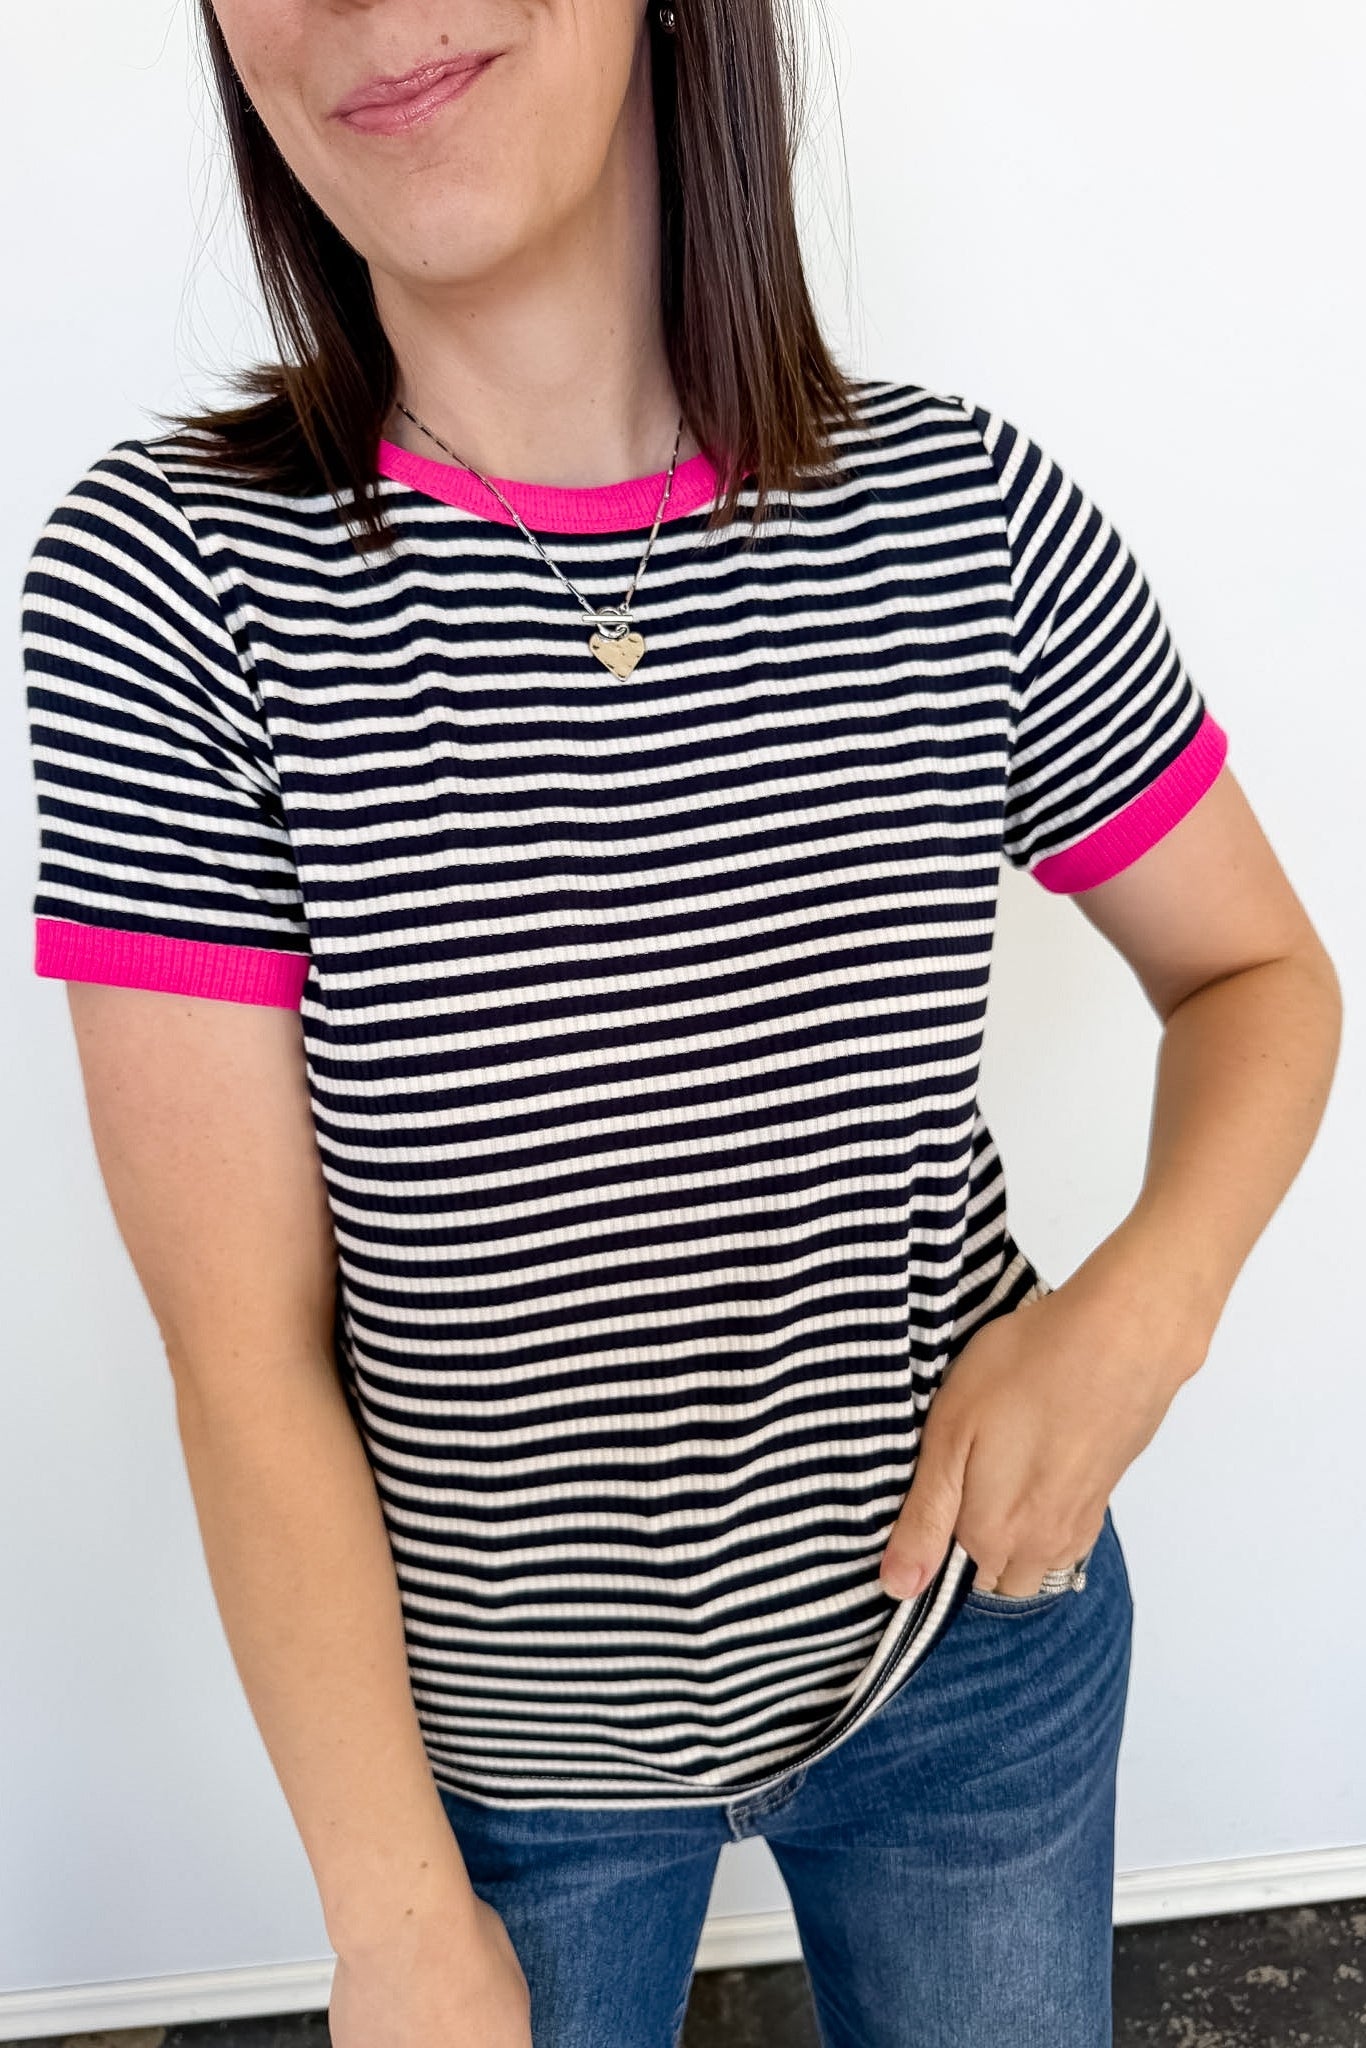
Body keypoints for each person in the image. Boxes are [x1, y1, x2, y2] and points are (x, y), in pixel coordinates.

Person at [19, 2, 1341, 2044]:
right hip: (497, 1768)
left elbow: (1258, 974)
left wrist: (1133, 1313)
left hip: (963, 1657)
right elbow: (241, 1345)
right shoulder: (178, 583)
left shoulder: (965, 519)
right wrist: (391, 1917)